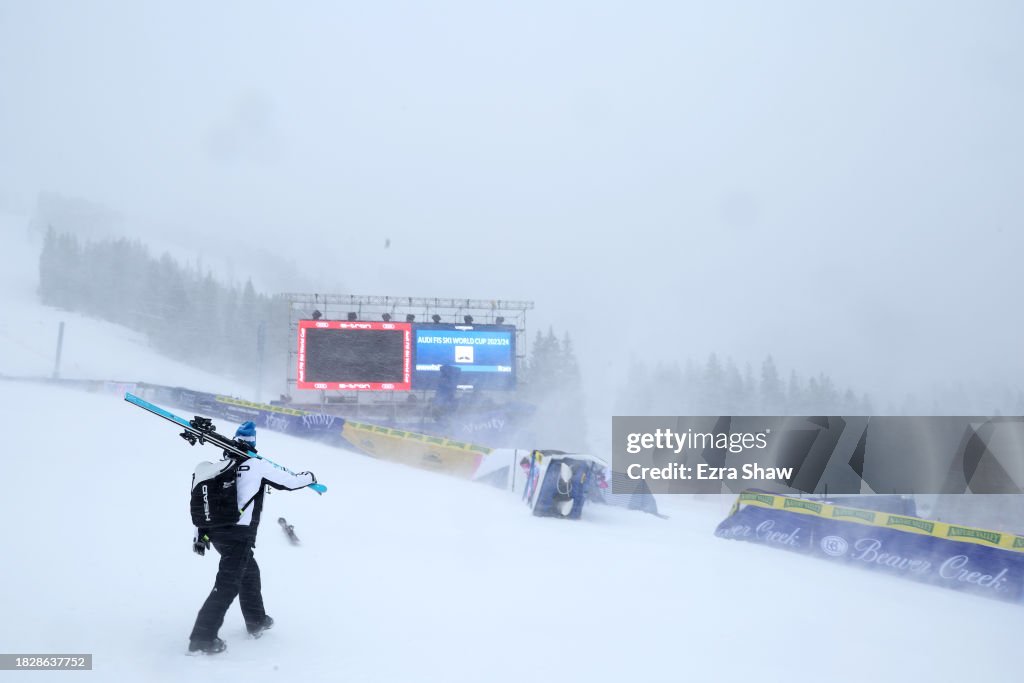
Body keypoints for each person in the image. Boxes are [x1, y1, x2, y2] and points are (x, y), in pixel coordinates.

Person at [188, 421, 317, 655]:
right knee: (227, 586)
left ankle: (256, 620)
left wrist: (199, 534)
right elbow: (291, 481)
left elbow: (205, 501)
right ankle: (202, 638)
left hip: (215, 534)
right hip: (239, 536)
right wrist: (310, 476)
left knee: (249, 573)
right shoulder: (257, 465)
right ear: (253, 443)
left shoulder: (221, 466)